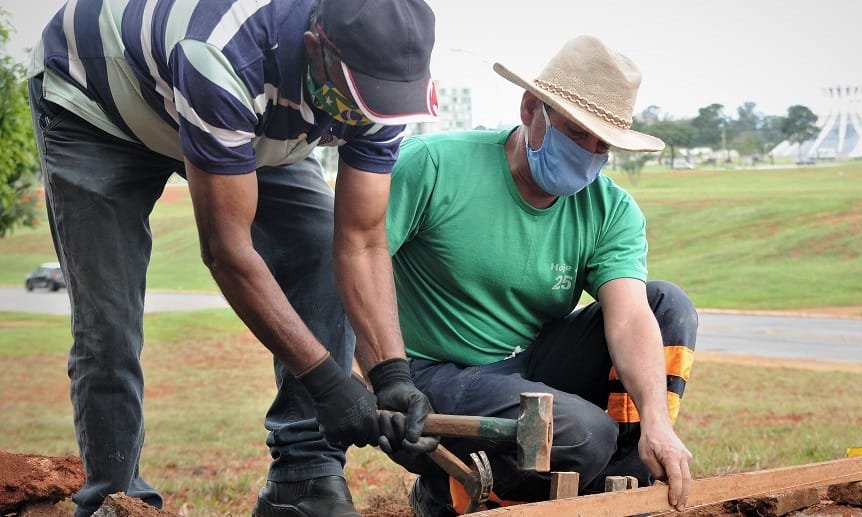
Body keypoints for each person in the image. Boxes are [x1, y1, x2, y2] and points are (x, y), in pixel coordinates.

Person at [27, 0, 439, 515]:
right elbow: (227, 250)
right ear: (315, 49)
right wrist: (326, 383)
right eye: (358, 99)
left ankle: (303, 479)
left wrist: (392, 376)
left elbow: (361, 240)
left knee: (315, 247)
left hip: (245, 121)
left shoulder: (388, 89)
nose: (366, 116)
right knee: (107, 323)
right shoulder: (225, 49)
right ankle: (115, 499)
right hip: (100, 104)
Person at [385, 35, 699, 515]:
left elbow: (631, 317)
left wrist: (657, 421)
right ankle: (454, 491)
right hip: (435, 374)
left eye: (603, 144)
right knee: (583, 433)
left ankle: (621, 488)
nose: (588, 152)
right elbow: (351, 262)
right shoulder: (433, 166)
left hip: (530, 362)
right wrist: (370, 375)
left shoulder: (610, 209)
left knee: (667, 305)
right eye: (576, 132)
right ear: (531, 108)